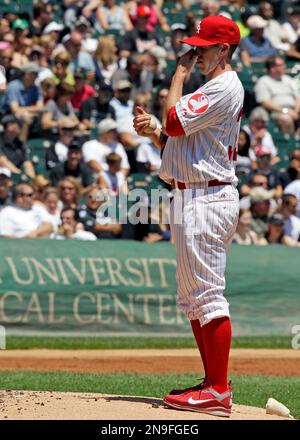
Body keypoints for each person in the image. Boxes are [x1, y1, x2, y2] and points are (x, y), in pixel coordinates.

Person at [133, 15, 244, 417]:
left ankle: (218, 390)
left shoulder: (224, 85)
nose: (195, 53)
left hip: (208, 199)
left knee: (208, 296)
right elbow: (179, 141)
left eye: (203, 46)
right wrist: (153, 134)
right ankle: (211, 383)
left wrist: (178, 74)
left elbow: (175, 120)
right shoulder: (215, 86)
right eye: (193, 46)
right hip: (192, 194)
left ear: (224, 49)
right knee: (194, 299)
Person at [254, 56, 300, 134]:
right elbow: (265, 103)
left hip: (294, 110)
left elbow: (298, 97)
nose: (284, 67)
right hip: (276, 112)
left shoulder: (289, 79)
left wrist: (295, 112)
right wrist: (286, 111)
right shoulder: (263, 81)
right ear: (272, 68)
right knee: (286, 118)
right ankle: (291, 144)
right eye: (281, 65)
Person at [0, 114, 36, 179]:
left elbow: (27, 163)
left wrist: (32, 180)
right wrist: (21, 175)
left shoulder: (20, 144)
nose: (22, 127)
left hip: (17, 175)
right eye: (19, 124)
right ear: (9, 126)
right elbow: (2, 161)